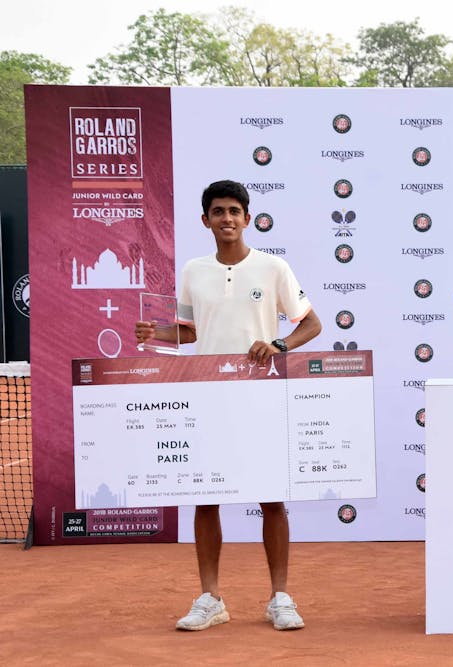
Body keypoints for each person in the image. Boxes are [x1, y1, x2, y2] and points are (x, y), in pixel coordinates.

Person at [135, 180, 322, 631]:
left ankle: (280, 597)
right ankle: (210, 598)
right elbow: (191, 332)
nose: (227, 219)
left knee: (272, 499)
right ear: (206, 220)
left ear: (247, 217)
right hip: (206, 397)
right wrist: (154, 334)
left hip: (260, 395)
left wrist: (278, 344)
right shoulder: (194, 271)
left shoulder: (273, 268)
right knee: (206, 498)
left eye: (235, 211)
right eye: (218, 211)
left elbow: (311, 324)